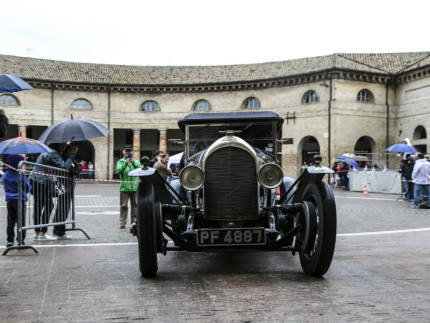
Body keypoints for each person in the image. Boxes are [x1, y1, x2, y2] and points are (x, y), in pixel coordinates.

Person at [30, 142, 78, 240]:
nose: (64, 146)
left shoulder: (48, 152)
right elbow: (64, 166)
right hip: (41, 181)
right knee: (47, 205)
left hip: (36, 180)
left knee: (38, 206)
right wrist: (72, 154)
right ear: (57, 145)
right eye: (62, 144)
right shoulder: (52, 154)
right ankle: (42, 232)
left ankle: (38, 232)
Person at [52, 144, 82, 239]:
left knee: (64, 209)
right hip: (64, 186)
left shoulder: (70, 160)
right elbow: (74, 170)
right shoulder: (65, 160)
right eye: (71, 150)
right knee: (62, 209)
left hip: (68, 186)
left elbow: (77, 169)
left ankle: (59, 230)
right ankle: (59, 231)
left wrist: (78, 165)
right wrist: (75, 161)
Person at [3, 154, 32, 247]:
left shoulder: (5, 175)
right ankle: (20, 239)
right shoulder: (21, 175)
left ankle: (10, 240)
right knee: (21, 221)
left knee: (10, 221)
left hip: (10, 200)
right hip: (20, 199)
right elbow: (27, 187)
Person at [116, 144, 142, 229]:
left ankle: (134, 222)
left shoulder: (136, 161)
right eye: (126, 151)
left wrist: (133, 162)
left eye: (129, 151)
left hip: (134, 187)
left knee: (135, 205)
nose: (127, 152)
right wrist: (125, 163)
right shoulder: (120, 162)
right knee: (123, 205)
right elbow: (118, 171)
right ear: (123, 152)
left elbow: (140, 168)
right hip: (124, 187)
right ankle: (122, 222)